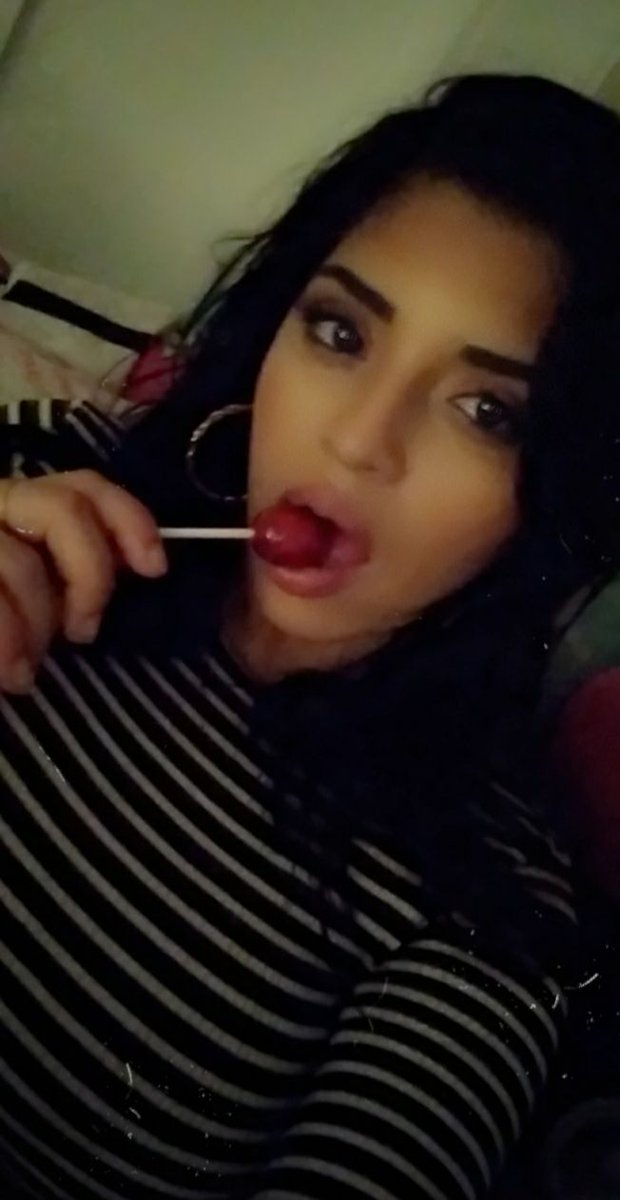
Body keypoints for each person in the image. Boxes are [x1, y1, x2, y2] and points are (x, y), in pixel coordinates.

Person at [0, 72, 619, 1200]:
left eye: (488, 412)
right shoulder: (43, 482)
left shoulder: (485, 916)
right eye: (339, 331)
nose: (356, 442)